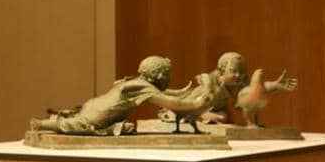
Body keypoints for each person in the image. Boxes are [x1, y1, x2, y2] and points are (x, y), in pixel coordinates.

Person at [31, 55, 208, 135]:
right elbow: (171, 103)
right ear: (160, 76)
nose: (168, 80)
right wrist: (197, 103)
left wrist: (182, 91)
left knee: (76, 120)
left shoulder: (136, 82)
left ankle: (52, 120)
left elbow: (160, 92)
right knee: (74, 125)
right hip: (97, 117)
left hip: (93, 105)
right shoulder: (143, 89)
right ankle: (41, 124)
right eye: (167, 76)